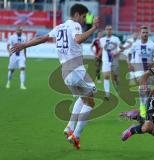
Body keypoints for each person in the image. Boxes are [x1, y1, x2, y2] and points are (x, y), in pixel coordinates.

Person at [10, 4, 99, 150]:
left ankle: (70, 127)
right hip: (76, 69)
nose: (84, 20)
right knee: (90, 103)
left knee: (83, 98)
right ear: (77, 15)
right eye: (83, 17)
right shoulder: (75, 25)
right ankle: (76, 135)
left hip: (65, 72)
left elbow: (43, 38)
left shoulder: (59, 27)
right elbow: (78, 39)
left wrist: (24, 44)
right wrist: (93, 28)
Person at [127, 26, 154, 119]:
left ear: (148, 34)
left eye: (146, 32)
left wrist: (153, 62)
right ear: (140, 34)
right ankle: (143, 113)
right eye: (143, 32)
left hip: (149, 72)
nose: (145, 34)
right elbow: (129, 55)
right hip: (139, 71)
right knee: (142, 90)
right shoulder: (135, 44)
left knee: (147, 93)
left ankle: (146, 109)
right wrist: (129, 63)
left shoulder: (153, 45)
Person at [99, 25, 123, 100]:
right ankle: (107, 94)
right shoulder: (102, 40)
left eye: (110, 29)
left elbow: (121, 48)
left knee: (115, 77)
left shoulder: (116, 39)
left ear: (112, 30)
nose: (109, 31)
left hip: (114, 60)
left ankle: (117, 88)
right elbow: (100, 49)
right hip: (105, 61)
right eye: (107, 29)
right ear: (105, 31)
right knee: (106, 76)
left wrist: (117, 52)